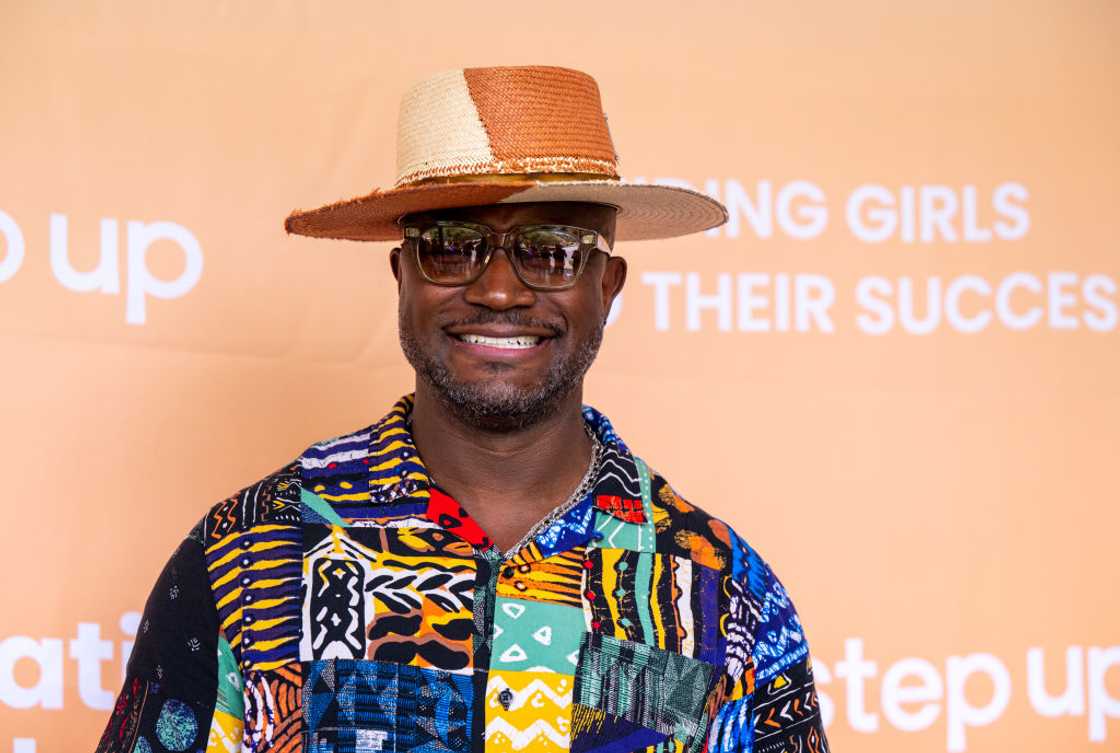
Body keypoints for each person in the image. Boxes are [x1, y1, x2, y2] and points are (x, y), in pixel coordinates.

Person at [95, 65, 829, 753]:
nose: (501, 291)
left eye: (552, 251)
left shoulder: (723, 591)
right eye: (452, 247)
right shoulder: (249, 553)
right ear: (402, 275)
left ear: (607, 285)